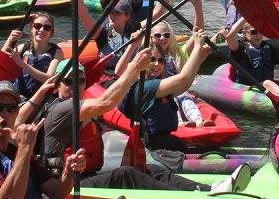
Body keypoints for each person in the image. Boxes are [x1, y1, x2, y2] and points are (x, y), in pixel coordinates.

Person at [20, 49, 210, 191]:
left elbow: (108, 101)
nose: (75, 86)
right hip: (65, 185)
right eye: (69, 82)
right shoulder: (61, 108)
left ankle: (202, 189)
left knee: (149, 169)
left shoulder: (82, 107)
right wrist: (134, 68)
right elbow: (106, 102)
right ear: (56, 86)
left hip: (86, 174)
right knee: (126, 174)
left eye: (80, 81)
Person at [116, 30, 209, 152]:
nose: (157, 64)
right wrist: (196, 47)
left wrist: (199, 59)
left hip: (167, 143)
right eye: (152, 59)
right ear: (141, 62)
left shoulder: (160, 85)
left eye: (161, 61)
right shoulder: (144, 88)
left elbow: (184, 85)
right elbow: (183, 79)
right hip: (151, 149)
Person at [225, 15, 279, 98]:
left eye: (261, 31)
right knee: (267, 83)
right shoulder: (240, 48)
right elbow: (229, 37)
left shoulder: (267, 48)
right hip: (249, 88)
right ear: (244, 33)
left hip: (268, 86)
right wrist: (246, 15)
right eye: (254, 32)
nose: (258, 35)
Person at [1, 12, 61, 99]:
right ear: (31, 29)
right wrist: (9, 40)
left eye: (47, 27)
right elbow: (0, 61)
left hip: (42, 100)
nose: (42, 30)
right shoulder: (23, 48)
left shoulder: (56, 52)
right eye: (37, 26)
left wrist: (21, 63)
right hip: (19, 97)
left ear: (51, 32)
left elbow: (49, 79)